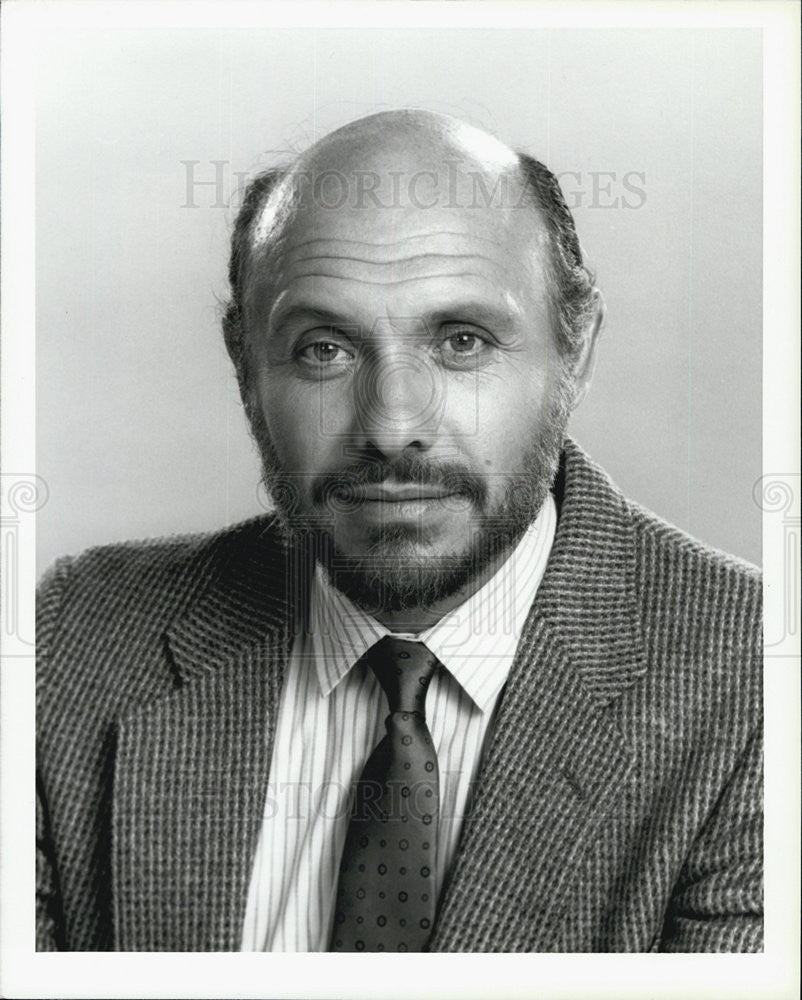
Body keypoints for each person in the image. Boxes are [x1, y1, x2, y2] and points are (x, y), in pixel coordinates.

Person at [36, 110, 762, 953]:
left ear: (576, 350)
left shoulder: (758, 688)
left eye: (462, 342)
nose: (390, 426)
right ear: (245, 367)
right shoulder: (70, 641)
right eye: (324, 350)